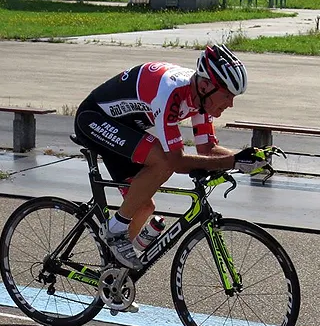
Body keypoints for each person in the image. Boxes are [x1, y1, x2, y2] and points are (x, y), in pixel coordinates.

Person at [74, 44, 271, 270]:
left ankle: (114, 276)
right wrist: (233, 161)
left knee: (143, 206)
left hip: (126, 127)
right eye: (227, 95)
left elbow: (207, 149)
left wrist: (249, 158)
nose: (231, 103)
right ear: (206, 85)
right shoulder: (172, 92)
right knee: (162, 161)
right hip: (94, 119)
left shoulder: (200, 100)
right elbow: (175, 162)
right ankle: (115, 229)